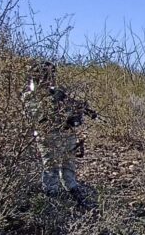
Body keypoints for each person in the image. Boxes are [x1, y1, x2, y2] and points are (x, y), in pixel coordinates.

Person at [22, 61, 97, 204]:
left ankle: (72, 189)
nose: (49, 79)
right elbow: (37, 117)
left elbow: (69, 111)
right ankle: (52, 196)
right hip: (47, 135)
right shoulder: (30, 96)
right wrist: (54, 103)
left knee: (68, 162)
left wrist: (76, 111)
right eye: (46, 75)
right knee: (51, 166)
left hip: (65, 134)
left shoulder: (57, 93)